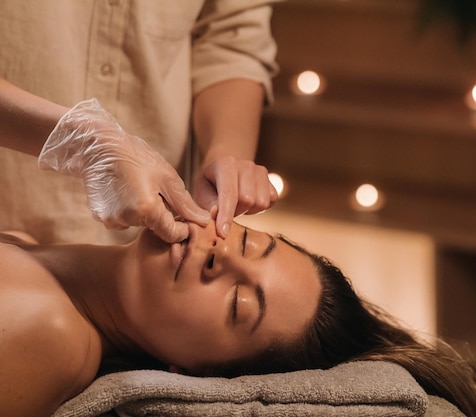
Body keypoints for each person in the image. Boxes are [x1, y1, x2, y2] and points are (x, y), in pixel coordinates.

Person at [0, 221, 476, 417]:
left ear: (189, 371)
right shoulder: (30, 242)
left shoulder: (50, 338)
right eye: (247, 241)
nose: (222, 257)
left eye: (238, 305)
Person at [0, 1, 280, 245]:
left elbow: (232, 39)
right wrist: (77, 140)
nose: (215, 252)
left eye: (238, 305)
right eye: (245, 246)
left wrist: (225, 154)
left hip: (137, 227)